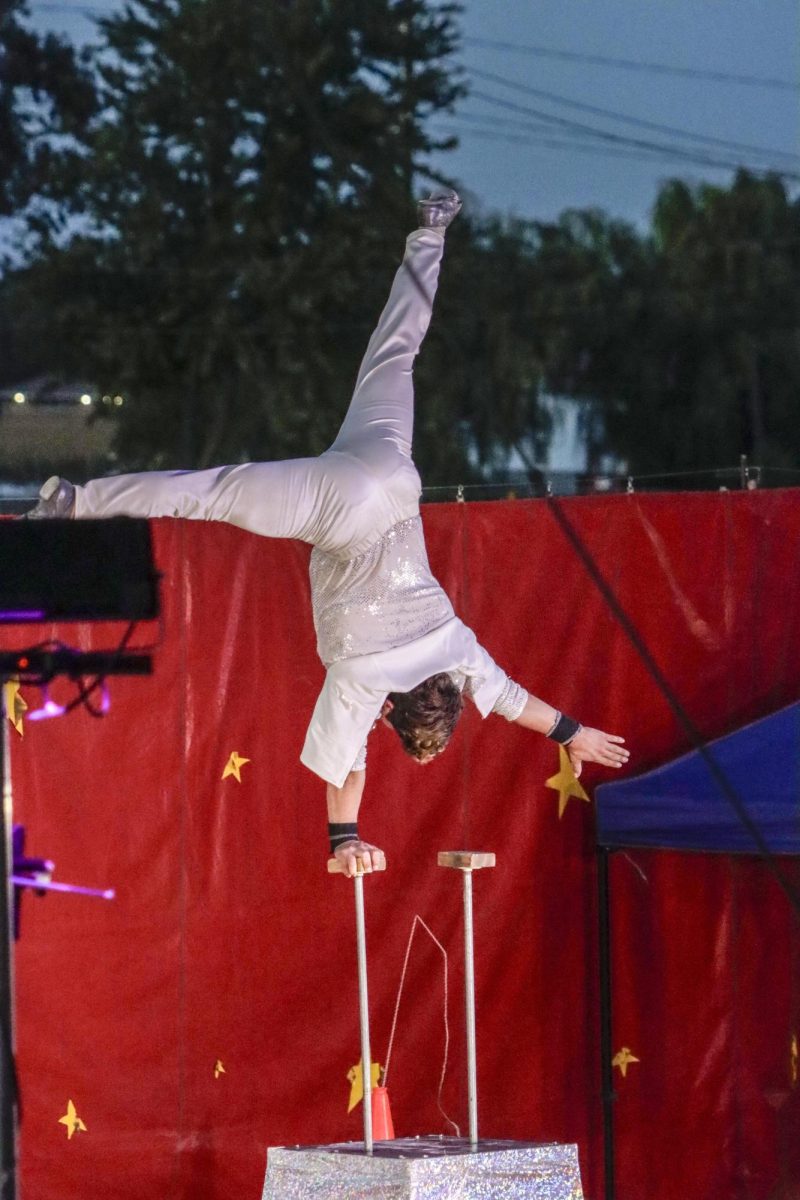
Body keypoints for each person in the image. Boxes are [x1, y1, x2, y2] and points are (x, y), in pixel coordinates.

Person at [26, 191, 629, 875]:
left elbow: (520, 703)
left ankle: (431, 234)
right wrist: (345, 843)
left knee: (394, 355)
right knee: (211, 492)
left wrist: (574, 734)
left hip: (395, 477)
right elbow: (347, 768)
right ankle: (76, 501)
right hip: (337, 510)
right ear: (392, 710)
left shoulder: (460, 656)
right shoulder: (361, 682)